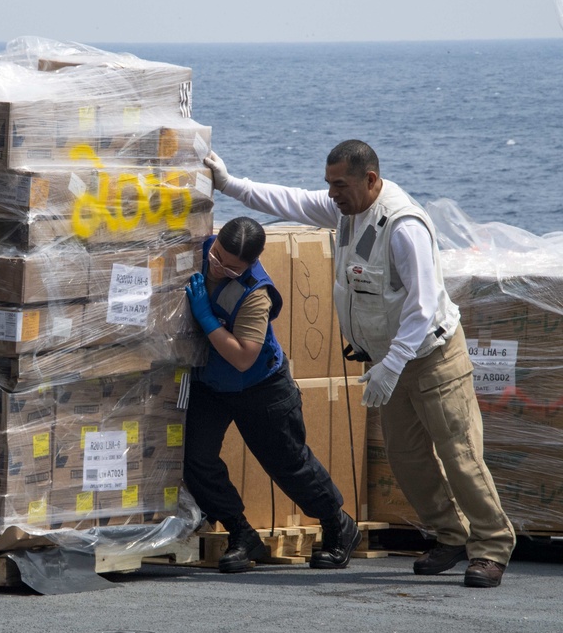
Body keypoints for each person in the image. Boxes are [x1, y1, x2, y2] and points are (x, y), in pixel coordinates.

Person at [204, 140, 516, 587]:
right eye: (328, 184)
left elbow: (423, 305)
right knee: (407, 459)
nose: (331, 193)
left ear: (370, 180)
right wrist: (232, 184)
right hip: (391, 361)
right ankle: (450, 536)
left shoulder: (403, 226)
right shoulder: (346, 212)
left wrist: (392, 365)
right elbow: (289, 200)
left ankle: (491, 547)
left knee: (460, 455)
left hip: (431, 357)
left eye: (340, 184)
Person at [183, 216, 362, 573]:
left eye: (230, 267)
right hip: (211, 383)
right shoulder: (197, 252)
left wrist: (205, 316)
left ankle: (337, 525)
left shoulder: (255, 293)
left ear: (249, 264)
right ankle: (241, 533)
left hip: (259, 385)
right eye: (216, 256)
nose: (217, 268)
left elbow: (242, 356)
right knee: (195, 459)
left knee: (288, 463)